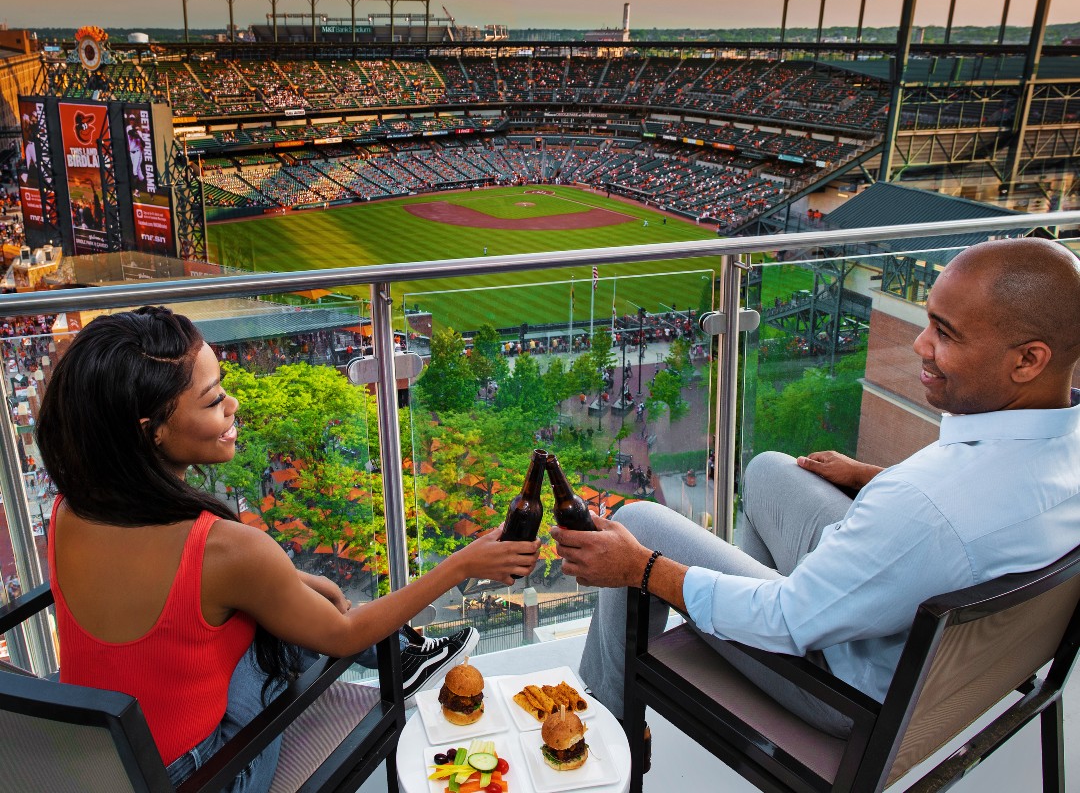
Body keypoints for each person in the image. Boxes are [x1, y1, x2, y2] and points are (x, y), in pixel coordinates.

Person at [553, 238, 1080, 742]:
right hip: (945, 667)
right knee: (767, 470)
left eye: (945, 333)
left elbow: (789, 617)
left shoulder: (924, 507)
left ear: (1028, 360)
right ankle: (736, 607)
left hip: (841, 694)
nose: (921, 345)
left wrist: (641, 568)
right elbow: (967, 518)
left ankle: (597, 740)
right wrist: (874, 477)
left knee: (640, 528)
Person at [37, 307, 540, 791]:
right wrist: (462, 563)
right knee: (284, 633)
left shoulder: (69, 510)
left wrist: (304, 581)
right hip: (204, 775)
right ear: (153, 432)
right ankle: (400, 660)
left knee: (284, 603)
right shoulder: (223, 549)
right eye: (213, 401)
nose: (234, 406)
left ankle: (404, 654)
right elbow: (341, 635)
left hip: (100, 759)